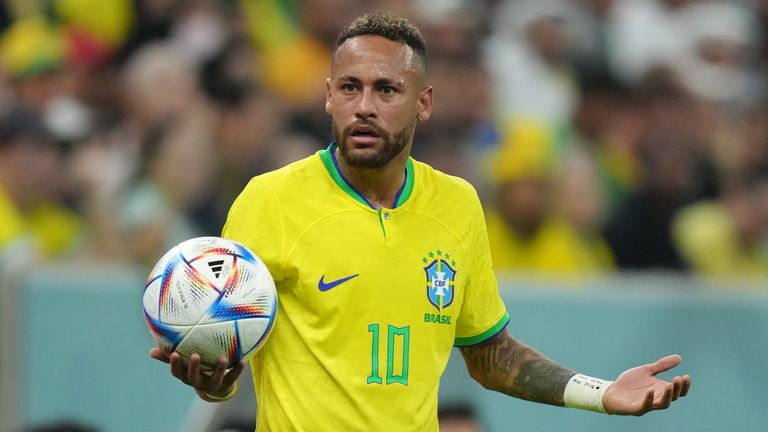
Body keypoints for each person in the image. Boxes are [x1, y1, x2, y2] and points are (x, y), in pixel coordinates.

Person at [150, 12, 691, 430]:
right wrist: (212, 380)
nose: (364, 106)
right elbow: (227, 350)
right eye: (349, 88)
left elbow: (489, 355)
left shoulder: (456, 205)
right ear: (328, 98)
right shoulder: (270, 199)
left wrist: (601, 393)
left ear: (423, 103)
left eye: (386, 90)